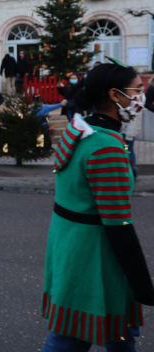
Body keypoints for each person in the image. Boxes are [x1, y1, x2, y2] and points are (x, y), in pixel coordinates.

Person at [40, 60, 154, 351]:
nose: (142, 96)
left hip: (69, 244)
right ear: (115, 95)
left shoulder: (81, 130)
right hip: (92, 253)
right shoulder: (107, 147)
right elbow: (118, 224)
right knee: (71, 337)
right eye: (137, 90)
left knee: (112, 332)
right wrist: (142, 283)